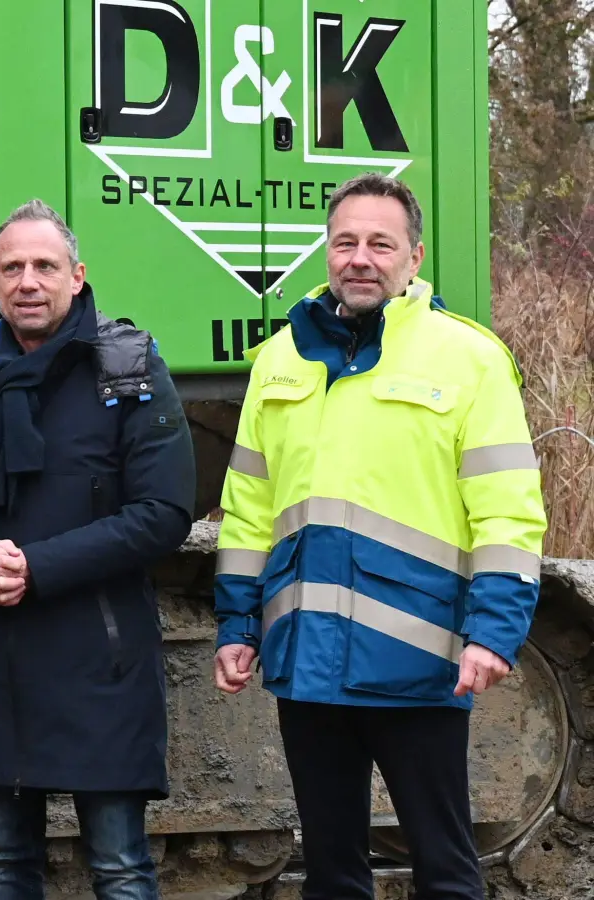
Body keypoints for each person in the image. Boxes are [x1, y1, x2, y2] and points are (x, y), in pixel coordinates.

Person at [211, 173, 547, 900]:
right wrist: (237, 625)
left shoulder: (469, 358)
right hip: (306, 664)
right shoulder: (279, 360)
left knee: (445, 870)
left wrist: (493, 631)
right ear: (327, 253)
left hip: (419, 659)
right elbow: (247, 512)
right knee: (330, 874)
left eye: (380, 244)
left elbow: (508, 511)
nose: (360, 258)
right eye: (345, 242)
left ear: (414, 257)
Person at [0, 199, 196, 900]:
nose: (27, 281)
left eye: (44, 266)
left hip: (99, 655)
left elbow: (162, 513)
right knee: (5, 866)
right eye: (11, 267)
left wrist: (36, 568)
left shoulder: (127, 368)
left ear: (78, 275)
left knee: (120, 866)